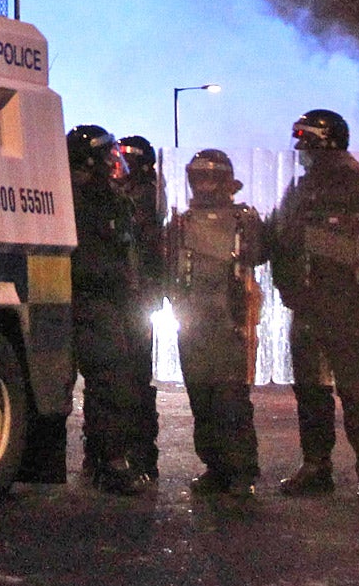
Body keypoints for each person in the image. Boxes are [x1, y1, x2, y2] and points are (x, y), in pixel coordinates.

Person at [268, 108, 359, 503]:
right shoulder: (303, 187)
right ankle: (316, 466)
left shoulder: (355, 184)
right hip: (307, 303)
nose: (301, 151)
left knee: (355, 391)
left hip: (341, 303)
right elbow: (281, 236)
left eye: (307, 143)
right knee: (310, 390)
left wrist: (309, 242)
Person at [68, 125, 165, 492]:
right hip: (96, 299)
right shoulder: (83, 200)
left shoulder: (107, 197)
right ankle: (110, 462)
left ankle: (105, 460)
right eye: (109, 157)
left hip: (111, 300)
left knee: (112, 383)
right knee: (111, 383)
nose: (115, 164)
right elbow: (95, 259)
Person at [166, 148, 265, 498]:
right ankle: (215, 467)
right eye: (199, 176)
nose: (205, 184)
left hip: (229, 323)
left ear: (226, 181)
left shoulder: (244, 221)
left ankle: (241, 470)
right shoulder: (181, 223)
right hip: (193, 323)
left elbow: (263, 253)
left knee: (231, 398)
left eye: (212, 177)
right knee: (202, 399)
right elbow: (166, 269)